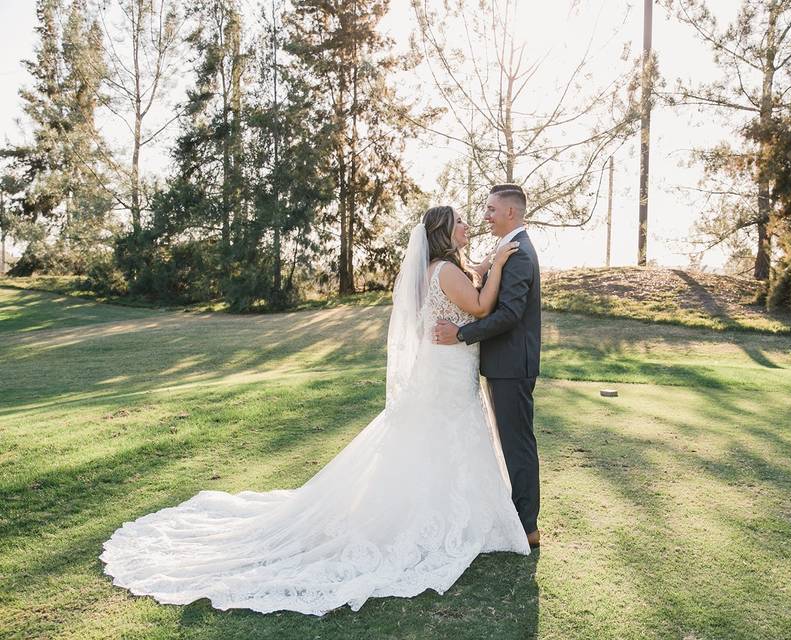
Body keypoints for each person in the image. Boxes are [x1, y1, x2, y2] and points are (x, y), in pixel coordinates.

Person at [99, 205, 529, 617]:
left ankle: (448, 512)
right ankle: (439, 516)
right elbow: (479, 307)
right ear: (442, 232)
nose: (467, 226)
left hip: (443, 366)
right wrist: (496, 264)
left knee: (433, 440)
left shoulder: (434, 270)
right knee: (444, 436)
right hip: (447, 370)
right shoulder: (447, 270)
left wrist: (487, 265)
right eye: (459, 223)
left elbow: (467, 300)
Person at [433, 183, 542, 548]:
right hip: (502, 364)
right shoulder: (506, 251)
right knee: (512, 442)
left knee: (517, 444)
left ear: (511, 212)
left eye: (491, 210)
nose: (485, 216)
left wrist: (462, 334)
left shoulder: (520, 254)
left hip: (512, 364)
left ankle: (527, 526)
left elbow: (509, 314)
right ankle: (517, 517)